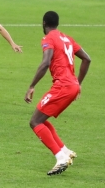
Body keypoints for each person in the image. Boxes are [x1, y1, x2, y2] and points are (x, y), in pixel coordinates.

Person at [24, 11, 91, 176]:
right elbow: (87, 59)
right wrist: (78, 83)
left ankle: (60, 157)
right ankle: (65, 151)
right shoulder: (67, 38)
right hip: (71, 86)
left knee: (35, 122)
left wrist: (32, 86)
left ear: (44, 23)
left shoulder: (49, 39)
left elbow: (45, 62)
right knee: (41, 118)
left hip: (62, 87)